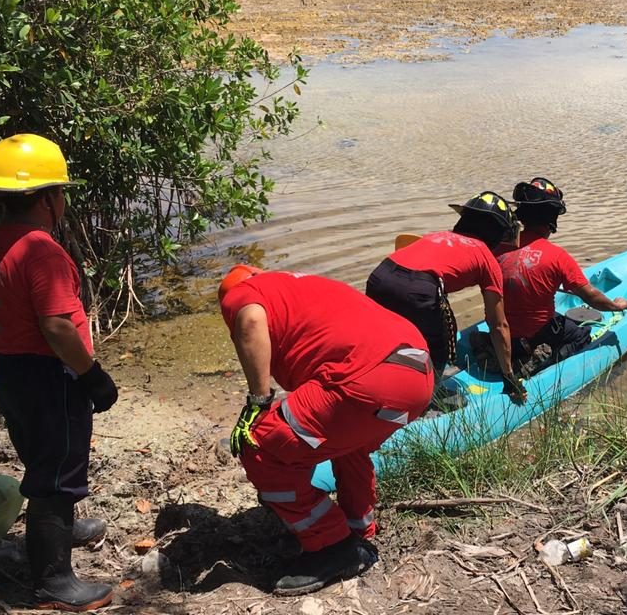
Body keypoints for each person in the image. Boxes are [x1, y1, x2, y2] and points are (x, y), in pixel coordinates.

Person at [217, 265, 433, 596]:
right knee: (345, 442)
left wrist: (257, 403)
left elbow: (249, 321)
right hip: (417, 374)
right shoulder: (301, 289)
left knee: (260, 444)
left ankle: (333, 546)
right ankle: (358, 525)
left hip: (369, 378)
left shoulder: (244, 294)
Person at [0, 134, 117, 612]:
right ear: (49, 197)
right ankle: (54, 580)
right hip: (50, 375)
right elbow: (56, 325)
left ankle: (61, 531)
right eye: (62, 191)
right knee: (56, 474)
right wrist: (91, 375)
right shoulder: (43, 250)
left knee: (41, 458)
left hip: (10, 371)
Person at [365, 190, 527, 401]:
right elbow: (498, 325)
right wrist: (508, 376)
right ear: (498, 234)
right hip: (420, 289)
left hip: (379, 276)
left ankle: (373, 387)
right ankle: (424, 402)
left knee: (386, 338)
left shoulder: (437, 236)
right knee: (438, 350)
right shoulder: (486, 258)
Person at [497, 177, 627, 369]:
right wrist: (616, 306)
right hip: (536, 333)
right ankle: (541, 362)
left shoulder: (498, 249)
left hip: (503, 330)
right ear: (551, 218)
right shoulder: (557, 256)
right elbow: (592, 297)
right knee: (581, 335)